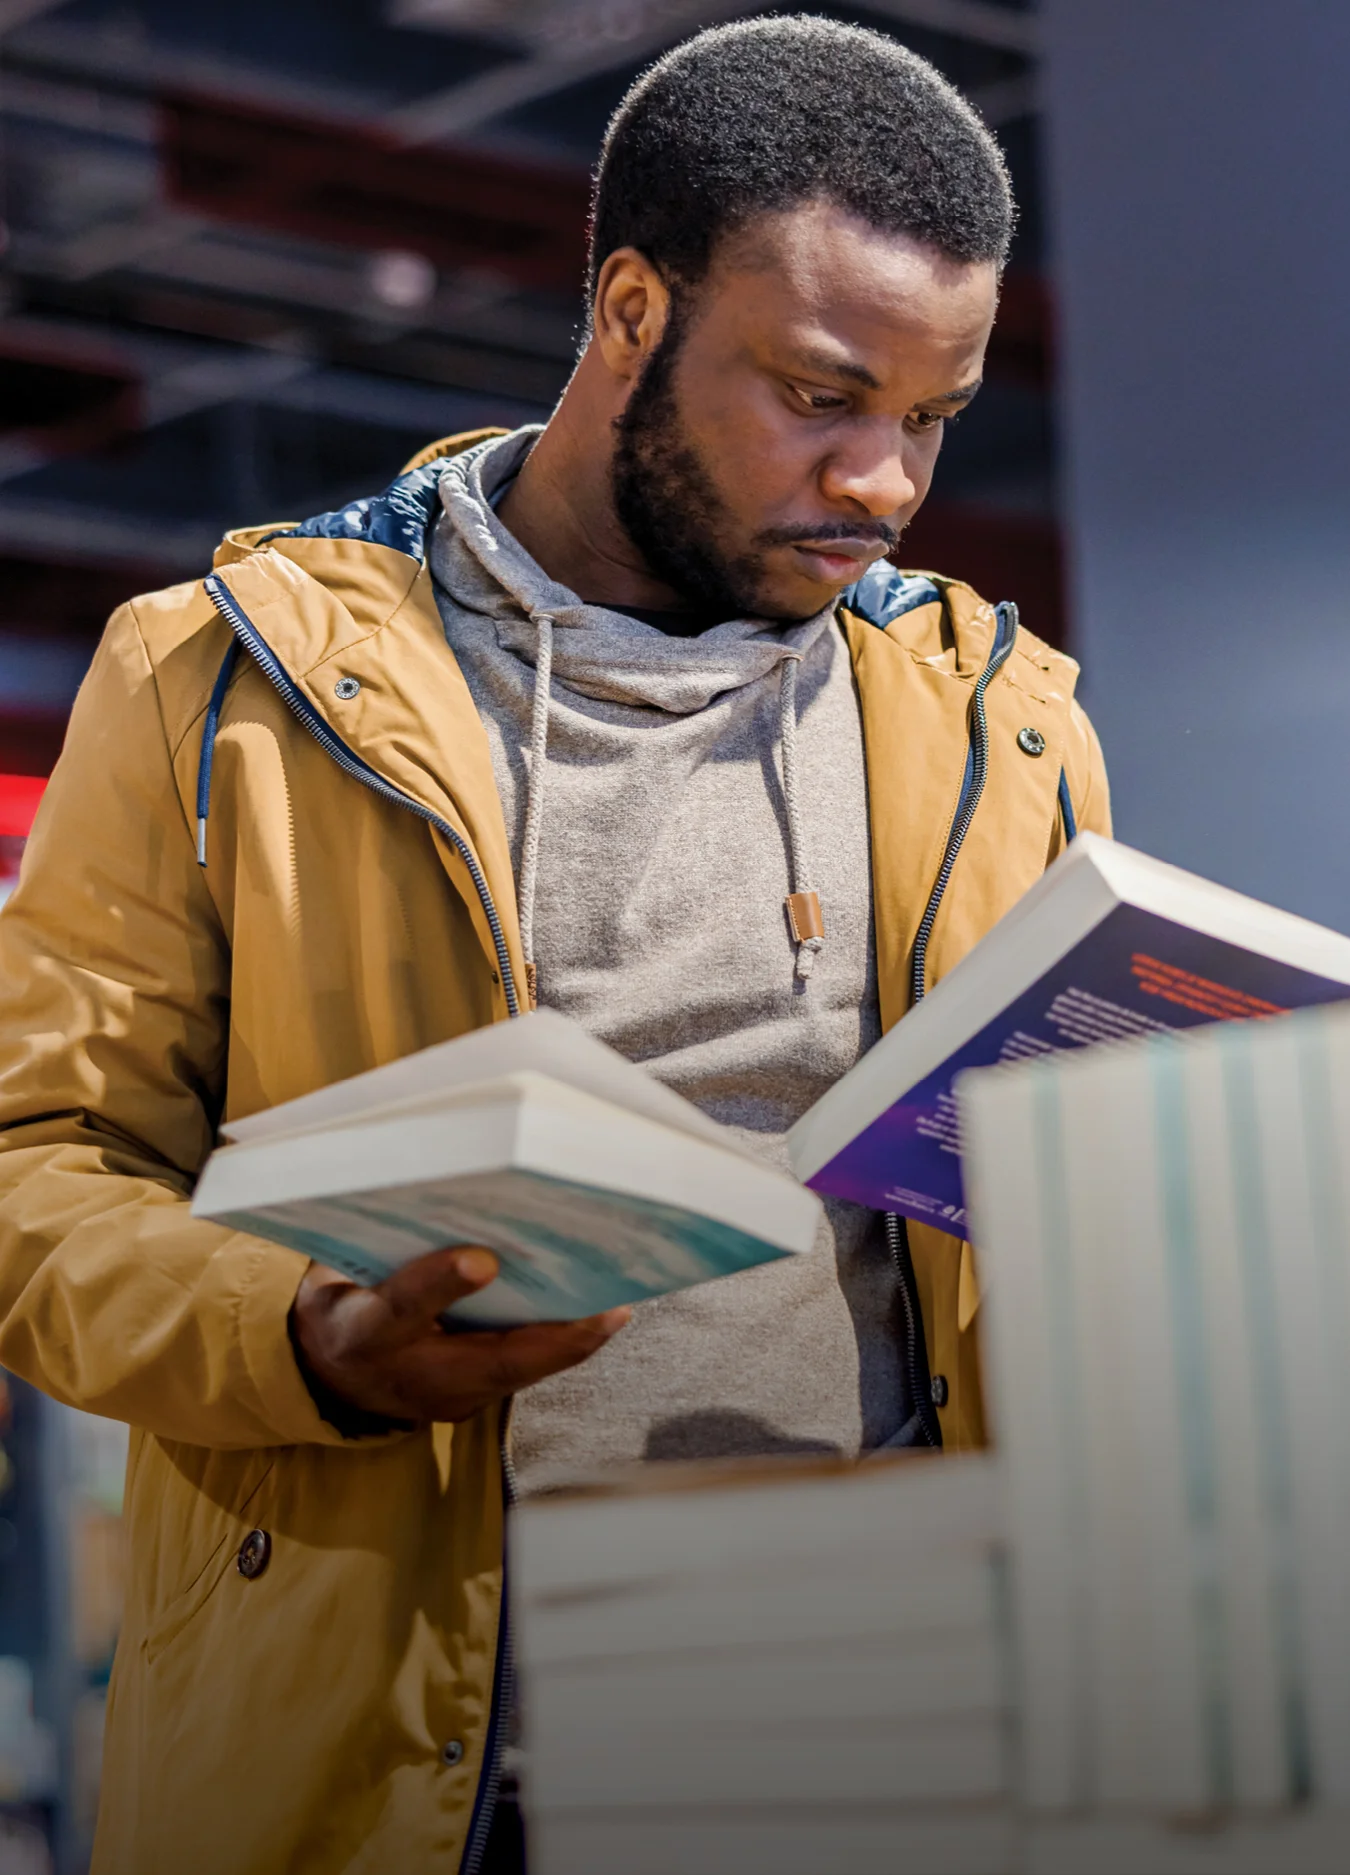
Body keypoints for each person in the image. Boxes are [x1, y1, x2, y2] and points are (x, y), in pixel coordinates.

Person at [0, 15, 1109, 1874]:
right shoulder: (220, 681)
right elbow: (37, 1173)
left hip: (885, 1734)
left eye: (931, 418)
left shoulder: (1002, 720)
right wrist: (308, 1339)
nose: (885, 482)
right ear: (626, 310)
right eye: (822, 393)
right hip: (420, 1757)